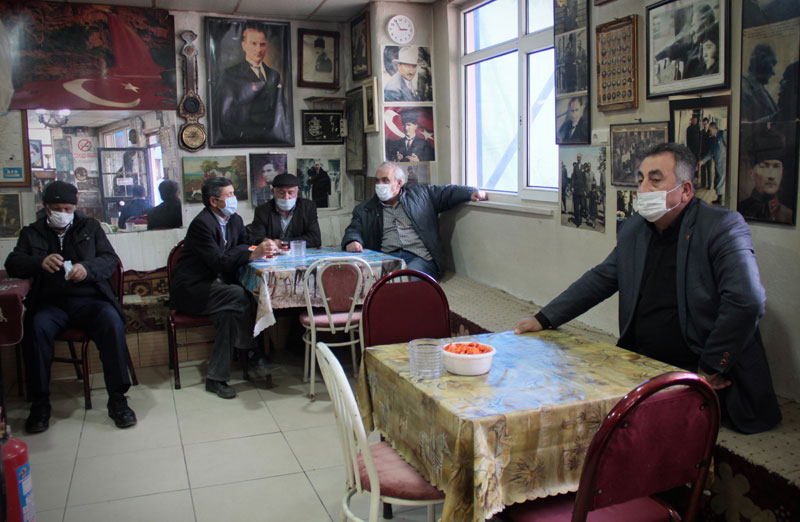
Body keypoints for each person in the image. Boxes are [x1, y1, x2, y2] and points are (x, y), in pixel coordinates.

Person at [514, 143, 781, 434]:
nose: (643, 189)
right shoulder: (634, 229)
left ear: (686, 190)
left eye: (655, 180)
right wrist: (544, 318)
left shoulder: (722, 227)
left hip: (697, 366)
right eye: (640, 179)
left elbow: (746, 300)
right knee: (560, 399)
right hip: (641, 360)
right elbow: (601, 279)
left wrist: (711, 367)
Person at [5, 181, 137, 433]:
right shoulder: (32, 232)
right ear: (46, 207)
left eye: (68, 208)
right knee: (35, 327)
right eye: (57, 208)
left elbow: (109, 260)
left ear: (75, 207)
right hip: (51, 304)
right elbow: (13, 263)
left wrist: (87, 269)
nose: (63, 213)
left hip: (90, 301)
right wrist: (39, 261)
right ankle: (40, 403)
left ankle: (118, 400)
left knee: (112, 322)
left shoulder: (90, 228)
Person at [170, 177, 277, 399]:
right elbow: (218, 261)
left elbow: (248, 241)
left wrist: (264, 243)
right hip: (193, 290)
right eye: (229, 195)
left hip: (220, 290)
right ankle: (253, 351)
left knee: (230, 313)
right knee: (239, 294)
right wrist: (249, 254)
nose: (233, 198)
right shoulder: (202, 224)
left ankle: (215, 379)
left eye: (233, 193)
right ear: (213, 201)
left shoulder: (234, 219)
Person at [342, 162, 487, 280]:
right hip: (387, 258)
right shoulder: (365, 209)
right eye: (377, 181)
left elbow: (446, 193)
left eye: (385, 180)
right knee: (373, 283)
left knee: (407, 281)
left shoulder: (421, 195)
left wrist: (470, 192)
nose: (380, 185)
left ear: (399, 183)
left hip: (419, 257)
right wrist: (352, 240)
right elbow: (354, 228)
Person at [212, 27, 291, 145]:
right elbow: (226, 113)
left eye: (262, 44)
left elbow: (281, 108)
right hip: (242, 136)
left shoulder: (274, 74)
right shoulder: (229, 74)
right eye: (253, 44)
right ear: (244, 45)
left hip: (270, 137)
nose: (258, 49)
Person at [250, 173, 321, 248]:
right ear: (273, 192)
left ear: (297, 192)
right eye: (281, 193)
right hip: (273, 253)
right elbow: (256, 238)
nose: (286, 197)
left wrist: (283, 243)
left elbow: (315, 239)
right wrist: (265, 242)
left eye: (290, 193)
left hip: (299, 252)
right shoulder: (262, 211)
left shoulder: (308, 208)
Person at [739, 128, 793, 223]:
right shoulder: (740, 211)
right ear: (752, 173)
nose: (771, 176)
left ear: (782, 171)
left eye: (776, 166)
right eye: (764, 166)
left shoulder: (789, 215)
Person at [654, 3, 717, 79]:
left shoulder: (714, 51)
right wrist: (655, 57)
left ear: (706, 23)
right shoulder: (694, 45)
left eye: (694, 25)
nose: (691, 32)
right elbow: (674, 49)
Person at [741, 44, 779, 123]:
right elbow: (743, 126)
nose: (773, 73)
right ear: (761, 61)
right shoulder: (743, 88)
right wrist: (775, 118)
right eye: (772, 63)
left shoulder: (758, 87)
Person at [699, 122, 726, 205]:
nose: (709, 132)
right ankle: (719, 198)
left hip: (724, 162)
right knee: (718, 179)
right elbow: (710, 152)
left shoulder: (723, 134)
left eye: (710, 130)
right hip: (718, 163)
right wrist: (702, 161)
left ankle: (720, 199)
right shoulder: (714, 139)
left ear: (714, 129)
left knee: (721, 179)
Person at [700, 118, 713, 189]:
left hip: (709, 154)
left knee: (709, 169)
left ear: (708, 124)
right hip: (702, 153)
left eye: (706, 124)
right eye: (703, 124)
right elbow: (700, 143)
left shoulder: (710, 132)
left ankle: (710, 185)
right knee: (703, 169)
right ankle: (703, 184)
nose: (704, 125)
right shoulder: (701, 132)